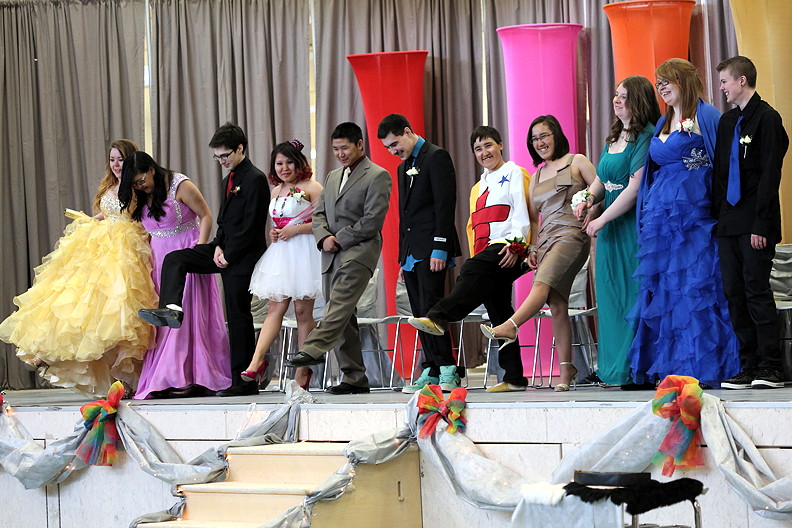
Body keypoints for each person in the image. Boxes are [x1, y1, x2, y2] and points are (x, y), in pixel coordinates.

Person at [0, 140, 157, 395]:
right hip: (102, 244)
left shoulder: (137, 187)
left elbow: (142, 217)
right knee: (79, 303)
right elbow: (107, 214)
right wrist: (90, 221)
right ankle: (46, 351)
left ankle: (125, 378)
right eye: (112, 160)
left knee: (117, 312)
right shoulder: (109, 186)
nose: (116, 165)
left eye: (120, 159)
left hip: (126, 248)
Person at [628, 58, 739, 386]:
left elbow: (725, 165)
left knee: (696, 288)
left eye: (667, 81)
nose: (661, 87)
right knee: (669, 291)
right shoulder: (664, 121)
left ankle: (705, 366)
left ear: (685, 81)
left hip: (695, 218)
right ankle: (673, 367)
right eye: (658, 82)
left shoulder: (707, 115)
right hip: (663, 223)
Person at [137, 123, 269, 397]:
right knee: (176, 259)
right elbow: (223, 222)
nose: (221, 161)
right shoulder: (228, 180)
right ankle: (171, 307)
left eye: (225, 155)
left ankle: (243, 381)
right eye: (217, 157)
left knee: (238, 314)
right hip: (224, 250)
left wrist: (228, 254)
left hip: (243, 256)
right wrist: (217, 246)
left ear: (240, 149)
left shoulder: (255, 179)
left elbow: (252, 226)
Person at [407, 126, 531, 393]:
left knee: (472, 270)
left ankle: (439, 316)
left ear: (500, 145)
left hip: (509, 249)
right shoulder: (477, 187)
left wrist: (517, 246)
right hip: (487, 254)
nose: (484, 152)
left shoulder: (515, 173)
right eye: (478, 149)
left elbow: (522, 212)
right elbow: (473, 227)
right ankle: (514, 377)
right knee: (499, 311)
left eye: (488, 145)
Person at [481, 115, 596, 392]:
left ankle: (511, 325)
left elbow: (599, 189)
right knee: (557, 305)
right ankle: (566, 371)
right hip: (546, 240)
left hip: (572, 235)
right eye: (534, 139)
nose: (540, 142)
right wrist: (531, 247)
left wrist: (591, 211)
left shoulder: (577, 161)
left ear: (556, 135)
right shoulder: (537, 176)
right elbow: (534, 219)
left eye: (544, 135)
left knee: (542, 284)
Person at [285, 122, 391, 395]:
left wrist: (339, 238)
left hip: (359, 252)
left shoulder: (377, 175)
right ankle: (354, 377)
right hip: (330, 254)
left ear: (360, 145)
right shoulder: (332, 176)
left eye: (344, 148)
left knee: (339, 306)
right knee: (345, 317)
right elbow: (318, 214)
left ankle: (311, 349)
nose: (340, 153)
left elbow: (372, 220)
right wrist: (323, 238)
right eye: (335, 149)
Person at [119, 152, 232, 399]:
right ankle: (165, 376)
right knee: (163, 318)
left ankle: (190, 376)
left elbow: (206, 215)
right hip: (157, 260)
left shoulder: (179, 185)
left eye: (141, 180)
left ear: (151, 169)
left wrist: (199, 250)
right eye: (135, 184)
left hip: (185, 250)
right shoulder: (141, 195)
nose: (140, 186)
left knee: (187, 315)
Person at [573, 76, 661, 387]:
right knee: (610, 298)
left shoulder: (646, 136)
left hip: (632, 226)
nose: (616, 100)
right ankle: (610, 368)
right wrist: (588, 199)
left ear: (638, 101)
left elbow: (634, 188)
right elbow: (602, 179)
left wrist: (601, 219)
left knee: (632, 296)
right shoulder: (614, 136)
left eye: (623, 96)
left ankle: (635, 368)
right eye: (616, 95)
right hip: (610, 228)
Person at [712, 56, 789, 390]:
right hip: (729, 221)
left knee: (756, 290)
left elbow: (770, 176)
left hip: (755, 221)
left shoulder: (767, 118)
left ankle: (772, 365)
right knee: (734, 293)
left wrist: (761, 224)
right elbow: (720, 174)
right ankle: (749, 363)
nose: (722, 88)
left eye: (725, 81)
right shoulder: (728, 121)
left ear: (742, 80)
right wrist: (717, 218)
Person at [376, 113, 462, 390]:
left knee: (433, 309)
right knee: (419, 312)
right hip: (412, 253)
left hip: (432, 248)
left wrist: (440, 247)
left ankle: (448, 368)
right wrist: (403, 258)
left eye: (394, 144)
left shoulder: (436, 157)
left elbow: (445, 206)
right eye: (388, 148)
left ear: (407, 131)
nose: (392, 151)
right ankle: (432, 368)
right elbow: (405, 216)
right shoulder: (404, 167)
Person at [244, 139, 323, 389]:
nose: (284, 168)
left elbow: (325, 222)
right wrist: (275, 233)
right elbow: (279, 221)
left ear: (299, 163)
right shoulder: (276, 191)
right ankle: (256, 362)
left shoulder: (312, 187)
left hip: (305, 252)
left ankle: (303, 370)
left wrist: (296, 229)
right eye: (279, 163)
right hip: (282, 253)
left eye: (289, 162)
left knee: (302, 312)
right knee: (274, 308)